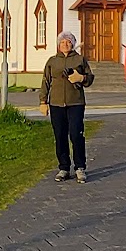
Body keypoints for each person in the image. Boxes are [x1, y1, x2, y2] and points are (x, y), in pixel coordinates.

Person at [39, 32, 94, 183]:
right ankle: (63, 168)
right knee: (60, 136)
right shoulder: (52, 61)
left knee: (76, 135)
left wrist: (82, 78)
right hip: (56, 104)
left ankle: (80, 167)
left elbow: (90, 78)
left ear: (73, 44)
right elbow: (45, 81)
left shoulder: (79, 59)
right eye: (62, 42)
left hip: (75, 103)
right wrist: (43, 101)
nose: (65, 44)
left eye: (68, 42)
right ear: (58, 44)